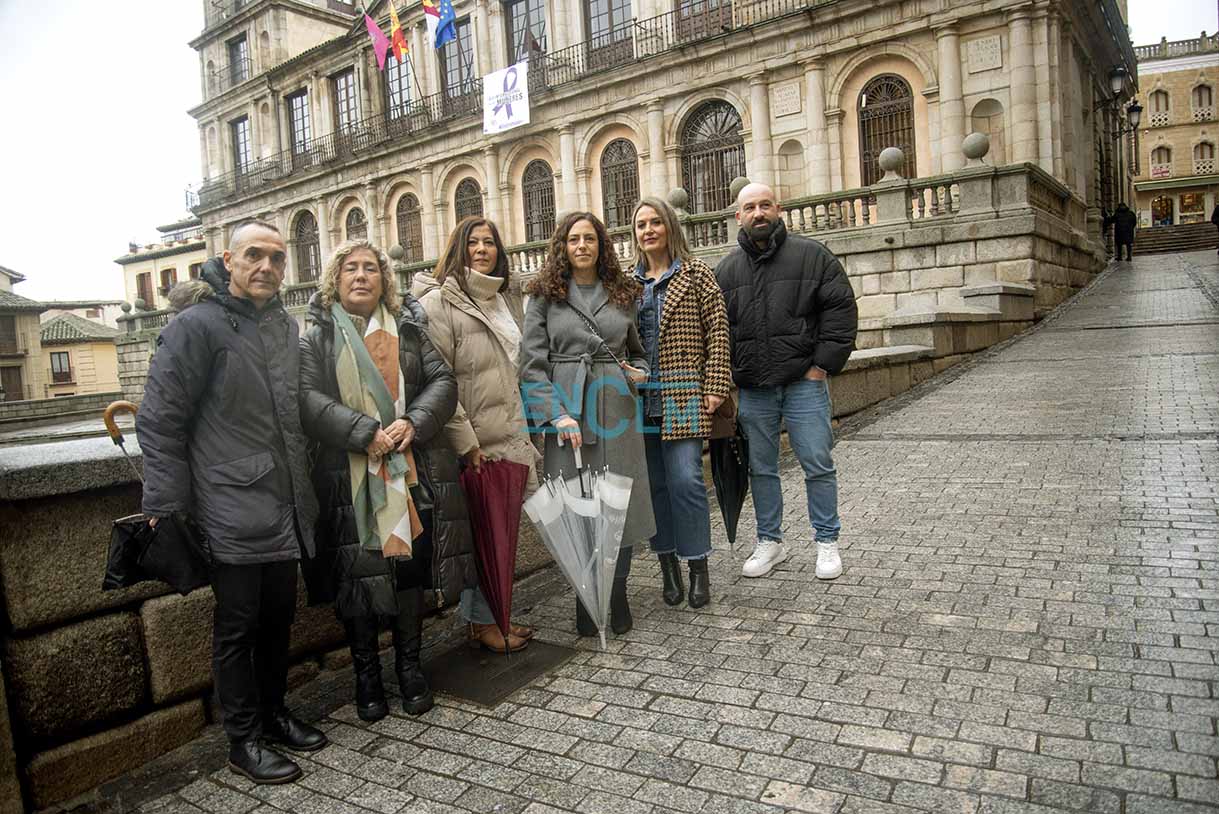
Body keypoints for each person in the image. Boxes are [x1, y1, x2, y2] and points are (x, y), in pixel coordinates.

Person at [137, 220, 327, 785]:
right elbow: (160, 420)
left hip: (284, 498)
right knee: (238, 625)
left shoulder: (280, 325)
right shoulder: (194, 327)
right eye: (254, 256)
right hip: (227, 502)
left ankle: (273, 714)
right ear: (227, 259)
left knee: (277, 618)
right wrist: (165, 505)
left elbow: (294, 412)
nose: (266, 266)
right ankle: (242, 740)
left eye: (276, 257)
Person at [299, 239, 475, 722]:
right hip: (346, 477)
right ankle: (367, 676)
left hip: (408, 470)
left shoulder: (409, 331)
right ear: (334, 280)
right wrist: (362, 432)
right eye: (350, 269)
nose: (361, 276)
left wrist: (413, 422)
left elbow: (443, 383)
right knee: (358, 578)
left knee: (408, 572)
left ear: (384, 279)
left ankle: (410, 668)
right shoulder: (316, 338)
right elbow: (308, 400)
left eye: (370, 269)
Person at [521, 212, 655, 637]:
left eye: (590, 238)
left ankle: (617, 593)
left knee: (622, 501)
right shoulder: (543, 295)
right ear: (562, 245)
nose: (582, 245)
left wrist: (639, 371)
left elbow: (636, 352)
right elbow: (529, 365)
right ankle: (586, 595)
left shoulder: (624, 292)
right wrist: (554, 412)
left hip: (616, 408)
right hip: (569, 412)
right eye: (574, 239)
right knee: (577, 506)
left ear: (602, 245)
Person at [715, 184, 858, 582]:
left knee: (817, 464)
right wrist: (729, 378)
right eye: (749, 207)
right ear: (738, 216)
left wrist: (821, 367)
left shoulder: (811, 255)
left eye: (764, 205)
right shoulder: (726, 270)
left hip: (803, 383)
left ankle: (827, 542)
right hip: (754, 389)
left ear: (779, 209)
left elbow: (840, 310)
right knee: (761, 468)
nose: (757, 213)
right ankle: (769, 541)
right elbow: (717, 331)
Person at [412, 217, 539, 654]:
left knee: (500, 532)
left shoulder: (503, 299)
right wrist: (467, 444)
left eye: (489, 242)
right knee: (483, 535)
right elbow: (440, 380)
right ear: (456, 248)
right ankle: (483, 624)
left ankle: (493, 617)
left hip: (510, 431)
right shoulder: (438, 304)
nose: (481, 249)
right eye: (472, 242)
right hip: (477, 442)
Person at [629, 196, 731, 609]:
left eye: (655, 222)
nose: (648, 230)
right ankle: (667, 563)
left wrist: (717, 383)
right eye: (641, 225)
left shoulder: (696, 274)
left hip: (685, 392)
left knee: (686, 481)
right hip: (639, 400)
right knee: (654, 485)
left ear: (670, 226)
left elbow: (719, 331)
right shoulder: (627, 284)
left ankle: (697, 565)